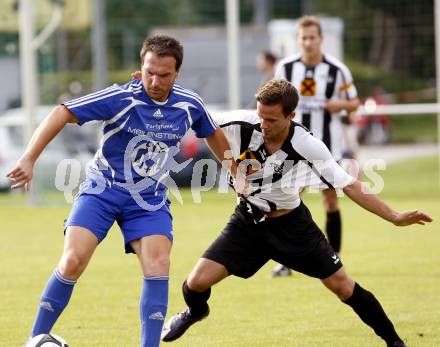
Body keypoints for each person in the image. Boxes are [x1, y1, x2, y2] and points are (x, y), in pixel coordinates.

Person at [159, 79, 432, 347]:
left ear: (291, 115)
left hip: (292, 225)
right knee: (194, 285)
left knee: (342, 286)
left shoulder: (307, 145)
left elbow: (350, 185)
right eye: (260, 116)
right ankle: (195, 312)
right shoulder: (241, 123)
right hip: (248, 222)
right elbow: (195, 112)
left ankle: (394, 342)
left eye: (272, 119)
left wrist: (394, 217)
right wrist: (153, 90)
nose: (263, 125)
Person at [8, 35, 241, 347]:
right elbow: (62, 112)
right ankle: (34, 339)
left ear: (177, 74)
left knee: (159, 264)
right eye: (149, 72)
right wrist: (29, 157)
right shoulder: (121, 98)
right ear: (140, 68)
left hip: (148, 198)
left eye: (164, 74)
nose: (155, 81)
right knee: (74, 260)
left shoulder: (189, 104)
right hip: (102, 189)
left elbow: (212, 135)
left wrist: (236, 171)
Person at [272, 15, 361, 276]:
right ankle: (286, 261)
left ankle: (334, 259)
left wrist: (339, 105)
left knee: (330, 200)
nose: (308, 42)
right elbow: (271, 100)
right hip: (292, 146)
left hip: (326, 146)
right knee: (287, 201)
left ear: (321, 39)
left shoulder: (337, 70)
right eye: (304, 38)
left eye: (313, 37)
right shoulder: (286, 68)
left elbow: (354, 102)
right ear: (298, 40)